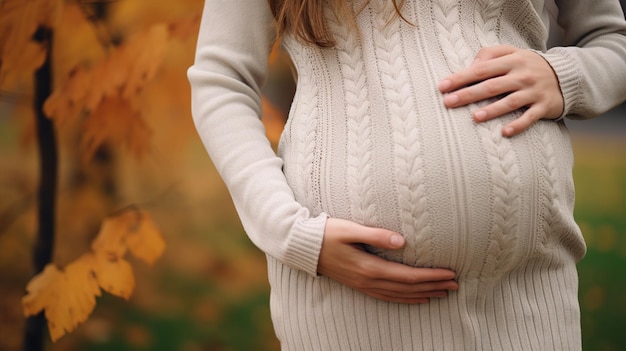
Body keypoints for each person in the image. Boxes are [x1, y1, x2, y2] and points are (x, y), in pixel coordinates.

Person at [188, 0, 626, 349]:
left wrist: (563, 75)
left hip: (530, 294)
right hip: (350, 305)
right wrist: (291, 232)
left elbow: (613, 41)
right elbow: (221, 77)